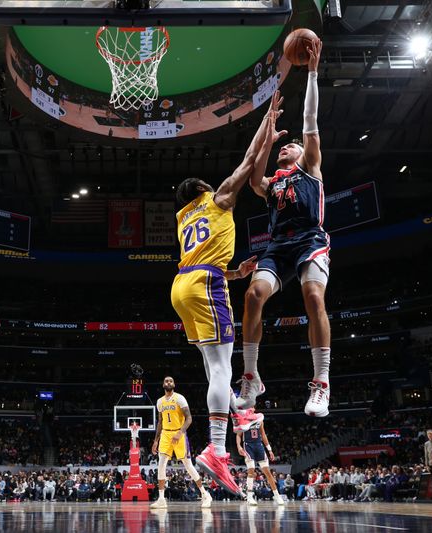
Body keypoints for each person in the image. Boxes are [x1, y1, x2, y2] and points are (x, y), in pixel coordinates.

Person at [171, 94, 284, 497]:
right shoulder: (216, 199)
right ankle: (217, 449)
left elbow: (208, 259)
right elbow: (249, 161)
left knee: (212, 363)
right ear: (203, 189)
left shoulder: (185, 216)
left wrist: (237, 271)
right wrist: (266, 124)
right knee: (220, 367)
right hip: (204, 284)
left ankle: (238, 408)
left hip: (184, 284)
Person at [238, 39, 332, 417]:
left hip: (310, 240)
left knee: (313, 298)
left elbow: (310, 124)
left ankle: (321, 383)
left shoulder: (309, 165)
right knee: (252, 296)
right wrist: (268, 129)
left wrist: (311, 73)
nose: (286, 147)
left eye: (289, 146)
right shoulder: (272, 183)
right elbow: (252, 175)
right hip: (278, 246)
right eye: (284, 147)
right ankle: (250, 377)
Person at [150, 376, 212, 509]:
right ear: (163, 384)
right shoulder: (160, 402)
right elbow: (160, 421)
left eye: (171, 381)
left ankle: (205, 494)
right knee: (161, 465)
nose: (168, 382)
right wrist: (156, 440)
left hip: (179, 433)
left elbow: (189, 418)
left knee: (188, 465)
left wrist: (180, 432)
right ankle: (161, 499)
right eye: (166, 381)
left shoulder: (179, 398)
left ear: (174, 384)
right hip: (165, 434)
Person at [235, 415, 284, 506]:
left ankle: (277, 495)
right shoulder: (242, 419)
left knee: (268, 472)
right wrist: (239, 446)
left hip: (259, 445)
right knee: (251, 470)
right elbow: (238, 435)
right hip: (248, 445)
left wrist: (269, 450)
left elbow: (263, 434)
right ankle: (250, 496)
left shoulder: (259, 418)